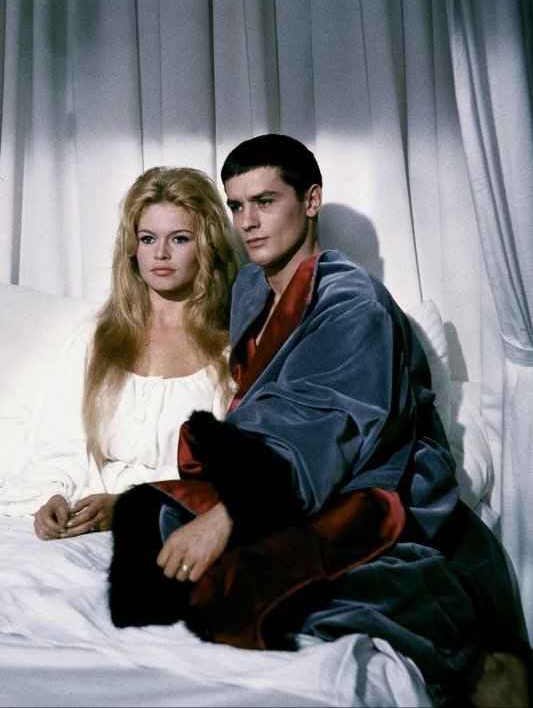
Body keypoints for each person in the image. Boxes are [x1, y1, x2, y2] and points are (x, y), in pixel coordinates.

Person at [110, 136, 531, 707]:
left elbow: (330, 428)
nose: (247, 222)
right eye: (237, 206)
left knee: (265, 584)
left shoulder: (351, 300)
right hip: (284, 478)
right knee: (152, 525)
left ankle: (485, 671)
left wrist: (230, 514)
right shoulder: (250, 288)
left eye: (265, 201)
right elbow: (267, 417)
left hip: (370, 487)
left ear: (311, 201)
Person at [0, 166, 240, 541]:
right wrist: (51, 497)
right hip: (79, 518)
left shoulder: (229, 354)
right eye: (148, 239)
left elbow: (224, 476)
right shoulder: (95, 341)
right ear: (133, 248)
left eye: (179, 239)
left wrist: (129, 504)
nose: (161, 253)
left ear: (207, 246)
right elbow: (57, 444)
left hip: (167, 525)